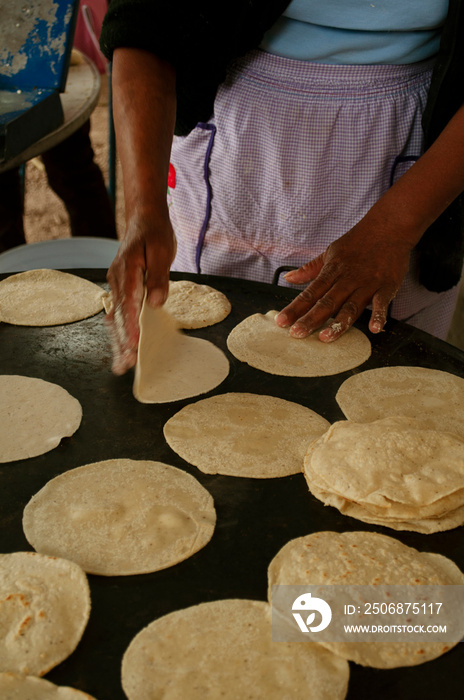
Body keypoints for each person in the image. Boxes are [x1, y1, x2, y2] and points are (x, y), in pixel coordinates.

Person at [100, 0, 464, 375]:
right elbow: (143, 19)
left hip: (419, 148)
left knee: (389, 372)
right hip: (234, 134)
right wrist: (144, 211)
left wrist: (396, 227)